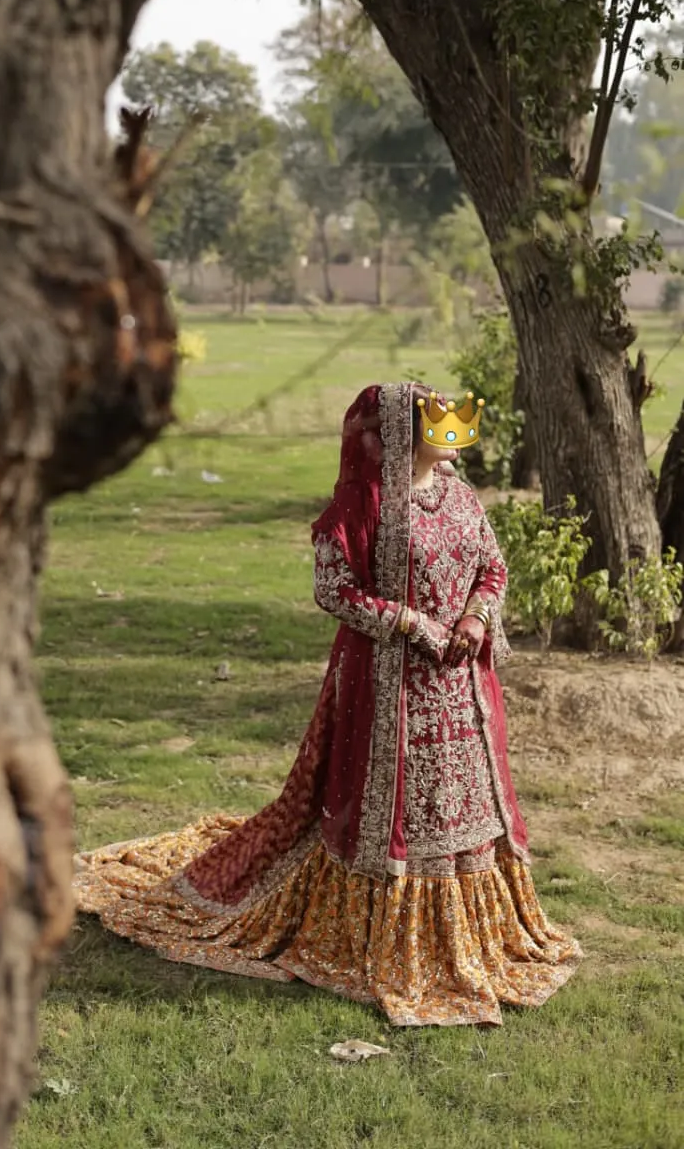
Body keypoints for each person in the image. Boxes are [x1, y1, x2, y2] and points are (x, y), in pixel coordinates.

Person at [74, 382, 582, 1027]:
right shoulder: (358, 506)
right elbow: (333, 591)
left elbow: (493, 567)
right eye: (434, 420)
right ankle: (387, 942)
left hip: (459, 689)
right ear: (397, 430)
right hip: (385, 685)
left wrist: (477, 621)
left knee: (459, 807)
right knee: (392, 807)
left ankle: (468, 938)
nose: (448, 429)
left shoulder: (460, 496)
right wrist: (412, 624)